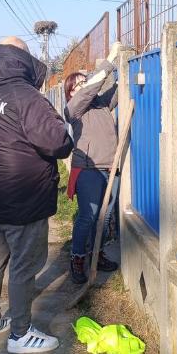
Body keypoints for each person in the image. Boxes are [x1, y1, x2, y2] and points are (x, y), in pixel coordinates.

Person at [0, 37, 73, 354]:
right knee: (24, 265)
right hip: (25, 198)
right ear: (22, 59)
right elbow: (58, 143)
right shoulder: (27, 97)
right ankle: (21, 334)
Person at [63, 63, 121, 285]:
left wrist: (122, 67)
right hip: (89, 169)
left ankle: (96, 253)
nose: (84, 85)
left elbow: (116, 90)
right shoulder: (74, 109)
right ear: (70, 92)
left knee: (105, 217)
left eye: (84, 81)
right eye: (77, 84)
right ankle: (77, 258)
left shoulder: (100, 104)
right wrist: (108, 61)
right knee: (88, 217)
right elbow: (90, 90)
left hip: (110, 166)